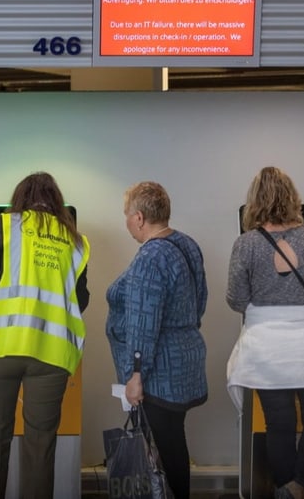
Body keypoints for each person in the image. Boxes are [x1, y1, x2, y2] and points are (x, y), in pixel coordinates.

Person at [225, 167, 304, 499]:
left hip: (266, 345)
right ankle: (301, 486)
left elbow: (235, 299)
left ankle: (289, 488)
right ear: (292, 197)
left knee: (278, 423)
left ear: (253, 202)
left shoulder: (245, 244)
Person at [0, 171, 90, 499]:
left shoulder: (7, 225)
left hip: (0, 350)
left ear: (21, 197)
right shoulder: (77, 242)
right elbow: (81, 301)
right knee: (41, 444)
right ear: (55, 201)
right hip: (52, 355)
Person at [105, 181, 208, 499]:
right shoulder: (186, 244)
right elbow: (200, 300)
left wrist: (136, 375)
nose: (127, 223)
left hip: (158, 374)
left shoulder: (149, 257)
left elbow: (142, 323)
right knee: (173, 443)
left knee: (164, 451)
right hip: (185, 362)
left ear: (138, 217)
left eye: (126, 216)